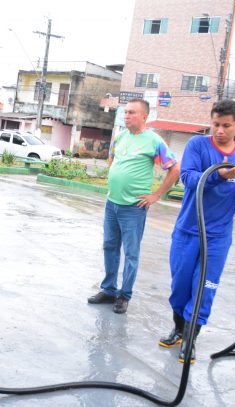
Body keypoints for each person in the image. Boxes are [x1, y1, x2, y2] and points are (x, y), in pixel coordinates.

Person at [158, 99, 235, 364]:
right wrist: (220, 175)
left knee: (205, 289)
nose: (219, 130)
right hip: (188, 230)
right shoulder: (198, 145)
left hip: (218, 237)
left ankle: (190, 339)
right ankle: (179, 329)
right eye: (215, 124)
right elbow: (189, 178)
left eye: (226, 125)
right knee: (180, 287)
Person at [88, 98, 180, 314]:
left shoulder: (154, 141)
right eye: (126, 112)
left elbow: (174, 169)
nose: (126, 116)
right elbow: (112, 160)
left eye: (132, 112)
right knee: (109, 246)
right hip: (112, 203)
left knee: (131, 253)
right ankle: (109, 290)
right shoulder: (120, 137)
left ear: (144, 117)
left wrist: (156, 195)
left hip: (133, 208)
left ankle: (124, 295)